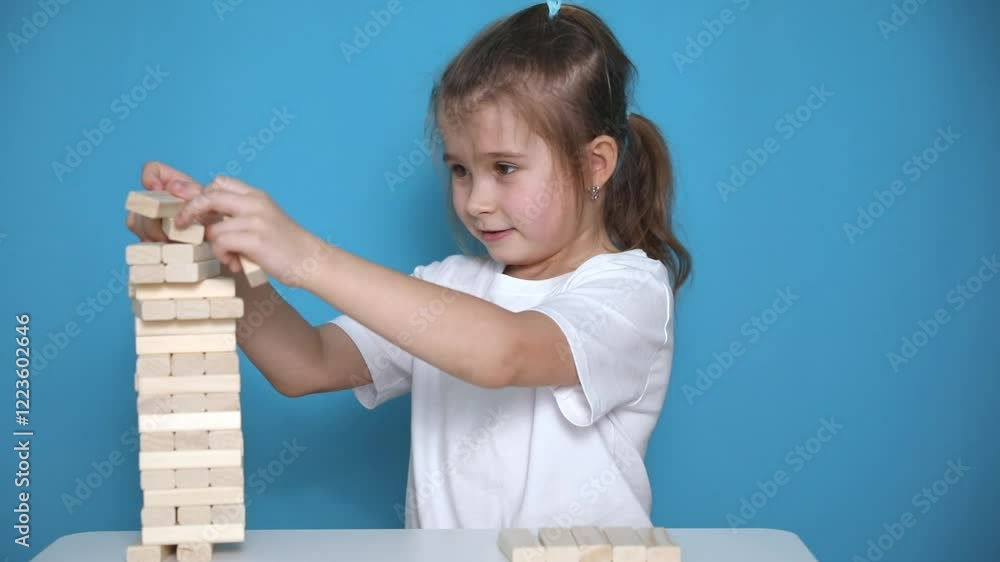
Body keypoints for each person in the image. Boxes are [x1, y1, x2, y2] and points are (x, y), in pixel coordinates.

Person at [126, 1, 691, 530]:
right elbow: (306, 363)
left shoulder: (630, 293)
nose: (477, 201)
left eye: (505, 168)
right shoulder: (448, 286)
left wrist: (305, 255)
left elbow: (504, 352)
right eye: (461, 170)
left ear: (595, 164)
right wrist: (222, 260)